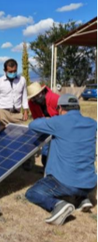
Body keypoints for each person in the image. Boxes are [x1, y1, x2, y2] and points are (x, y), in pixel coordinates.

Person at [25, 94, 97, 226]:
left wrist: (48, 118)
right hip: (89, 184)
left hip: (66, 184)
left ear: (60, 108)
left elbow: (32, 125)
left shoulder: (58, 122)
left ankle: (58, 205)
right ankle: (82, 199)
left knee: (32, 193)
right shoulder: (92, 124)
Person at [27, 82, 60, 167]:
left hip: (58, 126)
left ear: (42, 92)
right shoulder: (32, 103)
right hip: (45, 128)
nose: (35, 99)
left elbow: (64, 114)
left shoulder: (55, 99)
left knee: (57, 149)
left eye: (36, 96)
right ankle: (46, 167)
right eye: (33, 98)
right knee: (45, 150)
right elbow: (36, 119)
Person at [0, 59, 29, 126]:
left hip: (17, 113)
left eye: (15, 71)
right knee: (3, 134)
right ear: (5, 70)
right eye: (10, 71)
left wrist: (25, 111)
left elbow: (24, 96)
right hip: (3, 113)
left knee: (18, 134)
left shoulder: (22, 80)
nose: (13, 73)